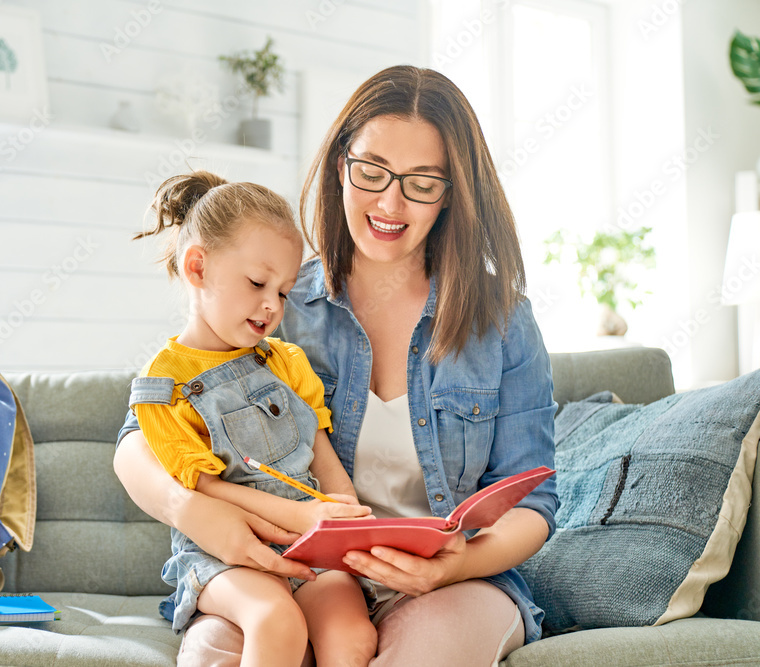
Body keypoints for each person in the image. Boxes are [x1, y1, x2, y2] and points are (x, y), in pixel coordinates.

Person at [116, 65, 558, 666]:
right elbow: (138, 440)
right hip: (291, 570)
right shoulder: (277, 302)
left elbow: (534, 501)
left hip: (448, 584)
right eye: (371, 172)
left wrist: (462, 563)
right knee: (218, 655)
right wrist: (191, 510)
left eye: (422, 183)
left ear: (453, 193)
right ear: (339, 166)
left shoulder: (501, 320)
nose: (389, 202)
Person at [127, 170, 379, 667]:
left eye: (283, 292)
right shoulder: (163, 384)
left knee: (352, 634)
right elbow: (203, 490)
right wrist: (300, 517)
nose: (272, 305)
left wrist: (342, 514)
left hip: (311, 545)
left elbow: (321, 454)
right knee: (275, 621)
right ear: (197, 267)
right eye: (258, 283)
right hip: (223, 557)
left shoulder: (286, 362)